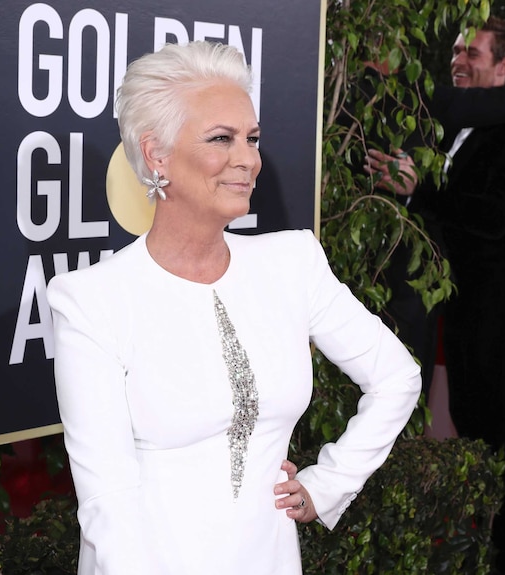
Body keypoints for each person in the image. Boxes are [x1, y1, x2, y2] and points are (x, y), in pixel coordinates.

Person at [46, 41, 421, 575]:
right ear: (156, 155)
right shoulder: (91, 300)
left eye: (251, 138)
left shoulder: (291, 263)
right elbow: (108, 502)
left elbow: (396, 378)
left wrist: (328, 484)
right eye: (221, 138)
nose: (247, 158)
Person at [368, 16, 505, 574]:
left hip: (496, 302)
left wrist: (423, 191)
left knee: (491, 430)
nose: (459, 60)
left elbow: (492, 218)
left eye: (474, 51)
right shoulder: (446, 120)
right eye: (457, 50)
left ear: (504, 67)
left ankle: (501, 557)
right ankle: (473, 547)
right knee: (469, 422)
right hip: (459, 298)